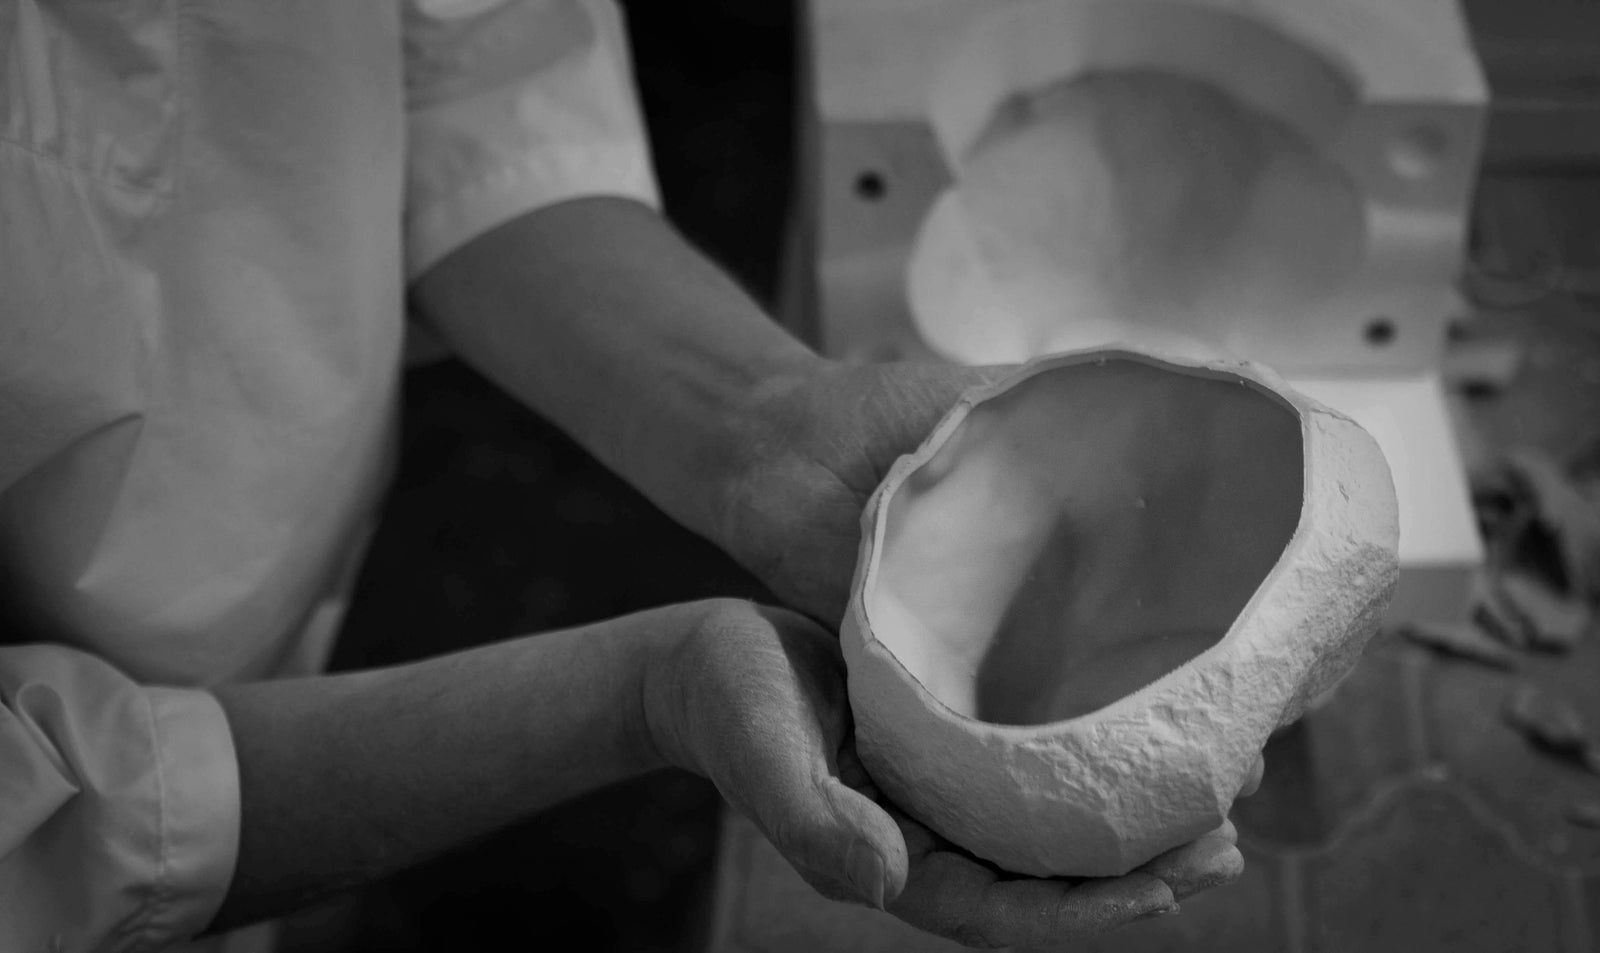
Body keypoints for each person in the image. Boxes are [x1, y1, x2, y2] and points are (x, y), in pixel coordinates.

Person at [0, 2, 1257, 950]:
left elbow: (464, 75)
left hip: (253, 594)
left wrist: (765, 423)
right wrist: (650, 694)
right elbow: (54, 836)